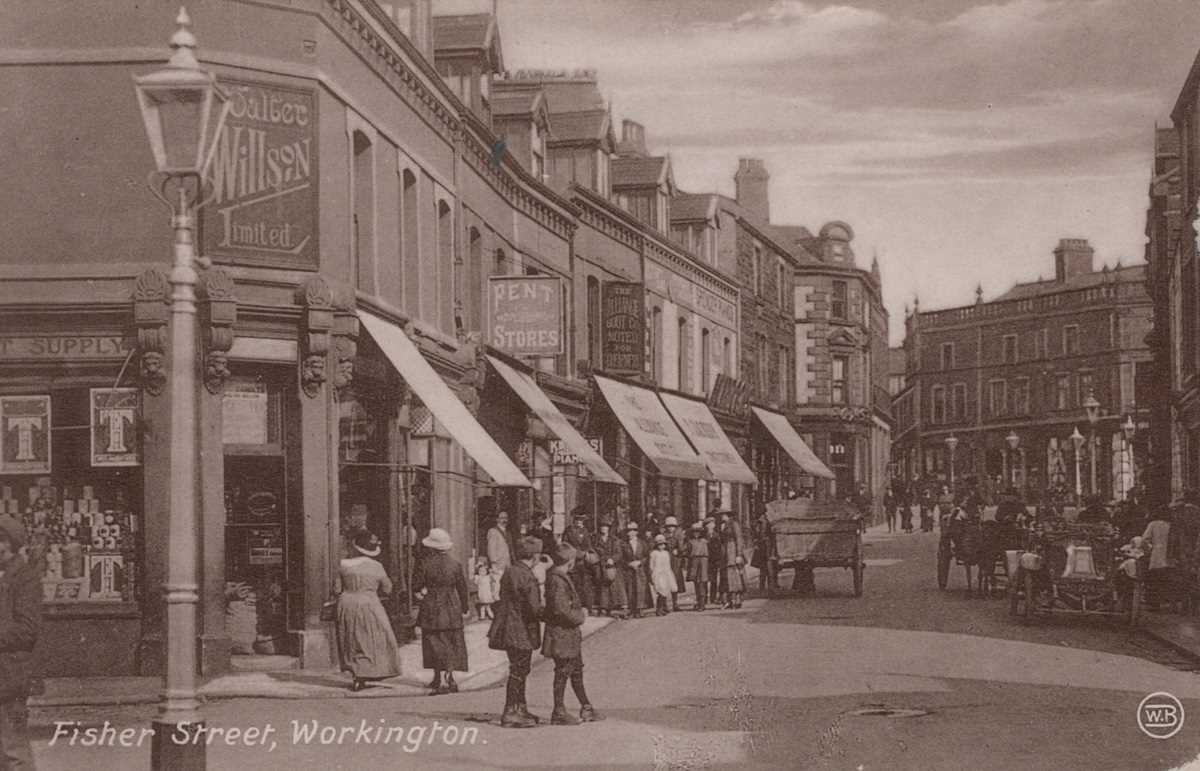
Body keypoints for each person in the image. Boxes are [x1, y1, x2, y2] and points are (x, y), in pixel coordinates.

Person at [541, 543, 604, 725]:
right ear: (569, 562)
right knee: (563, 671)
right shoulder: (557, 580)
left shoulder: (558, 577)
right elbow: (560, 609)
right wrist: (579, 617)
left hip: (567, 634)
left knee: (575, 670)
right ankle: (559, 711)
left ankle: (586, 707)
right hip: (562, 633)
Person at [488, 535, 545, 728]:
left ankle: (520, 707)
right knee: (519, 670)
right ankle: (511, 710)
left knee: (518, 668)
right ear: (534, 556)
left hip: (508, 626)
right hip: (520, 629)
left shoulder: (511, 571)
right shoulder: (527, 576)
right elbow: (534, 608)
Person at [335, 530, 402, 692]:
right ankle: (371, 670)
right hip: (369, 603)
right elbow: (387, 589)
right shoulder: (376, 566)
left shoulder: (343, 565)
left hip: (347, 602)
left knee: (351, 638)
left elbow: (337, 589)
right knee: (375, 636)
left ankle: (356, 673)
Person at [0, 514, 39, 768]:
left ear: (8, 545)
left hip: (9, 677)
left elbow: (27, 630)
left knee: (14, 752)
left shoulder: (25, 578)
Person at [414, 528, 470, 694]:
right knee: (451, 641)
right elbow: (462, 588)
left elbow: (416, 585)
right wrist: (465, 606)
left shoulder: (425, 563)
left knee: (433, 641)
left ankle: (437, 678)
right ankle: (450, 676)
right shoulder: (455, 564)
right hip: (451, 605)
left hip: (432, 605)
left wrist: (422, 593)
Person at [562, 510, 596, 614]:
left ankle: (587, 606)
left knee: (586, 584)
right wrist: (578, 553)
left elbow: (589, 545)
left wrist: (588, 553)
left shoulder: (585, 531)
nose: (579, 522)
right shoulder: (568, 531)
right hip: (573, 561)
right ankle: (576, 607)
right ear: (574, 520)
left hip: (584, 563)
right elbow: (565, 545)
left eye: (581, 520)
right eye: (578, 520)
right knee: (574, 584)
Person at [1142, 509, 1175, 610]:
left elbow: (1144, 540)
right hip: (1169, 555)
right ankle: (1167, 603)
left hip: (1156, 554)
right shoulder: (1172, 525)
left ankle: (1153, 604)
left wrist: (1148, 551)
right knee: (1166, 580)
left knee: (1154, 579)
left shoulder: (1153, 524)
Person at [592, 520, 625, 617]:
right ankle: (603, 607)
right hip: (600, 566)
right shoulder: (595, 540)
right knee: (602, 587)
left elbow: (619, 553)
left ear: (608, 528)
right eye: (602, 526)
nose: (603, 528)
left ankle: (613, 607)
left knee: (613, 586)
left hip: (612, 566)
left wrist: (613, 559)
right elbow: (592, 551)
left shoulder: (614, 540)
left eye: (606, 526)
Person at [620, 522, 651, 618]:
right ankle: (632, 609)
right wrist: (628, 564)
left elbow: (647, 556)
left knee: (640, 588)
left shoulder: (642, 543)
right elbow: (621, 558)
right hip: (629, 570)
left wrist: (640, 562)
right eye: (629, 531)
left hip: (640, 569)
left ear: (636, 532)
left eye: (633, 531)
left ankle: (640, 609)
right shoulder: (624, 544)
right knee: (630, 589)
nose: (630, 533)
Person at [649, 535, 678, 616]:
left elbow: (669, 564)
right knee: (661, 590)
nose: (662, 546)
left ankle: (665, 607)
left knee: (672, 588)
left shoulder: (666, 553)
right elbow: (651, 565)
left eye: (663, 544)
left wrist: (669, 572)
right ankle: (659, 609)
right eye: (659, 544)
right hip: (658, 573)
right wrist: (652, 574)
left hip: (667, 572)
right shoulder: (654, 553)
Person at [662, 516, 686, 611]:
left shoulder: (679, 535)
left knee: (675, 581)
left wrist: (679, 551)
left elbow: (683, 548)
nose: (670, 528)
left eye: (672, 526)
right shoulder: (663, 535)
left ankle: (675, 603)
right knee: (665, 581)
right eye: (669, 526)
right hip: (666, 559)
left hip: (676, 560)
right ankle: (664, 605)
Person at [722, 516, 746, 609]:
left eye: (723, 514)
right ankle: (731, 599)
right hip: (726, 553)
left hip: (733, 552)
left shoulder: (734, 524)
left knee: (736, 576)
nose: (721, 516)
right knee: (728, 577)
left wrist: (739, 555)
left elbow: (739, 539)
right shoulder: (722, 525)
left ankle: (737, 599)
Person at [686, 522, 710, 610]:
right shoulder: (690, 542)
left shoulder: (704, 541)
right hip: (694, 562)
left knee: (702, 582)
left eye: (698, 532)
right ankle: (698, 601)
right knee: (696, 582)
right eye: (694, 532)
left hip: (703, 562)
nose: (696, 534)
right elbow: (688, 553)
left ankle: (702, 603)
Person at [487, 512, 513, 578]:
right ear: (497, 519)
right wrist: (493, 563)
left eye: (506, 518)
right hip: (498, 565)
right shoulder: (493, 531)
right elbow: (491, 548)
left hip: (507, 564)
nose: (504, 520)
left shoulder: (508, 533)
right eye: (502, 518)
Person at [705, 517, 724, 608]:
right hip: (705, 560)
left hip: (714, 560)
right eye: (709, 524)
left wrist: (719, 559)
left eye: (712, 524)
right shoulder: (704, 535)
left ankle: (712, 597)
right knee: (704, 579)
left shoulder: (716, 535)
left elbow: (719, 548)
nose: (710, 526)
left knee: (713, 579)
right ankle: (704, 598)